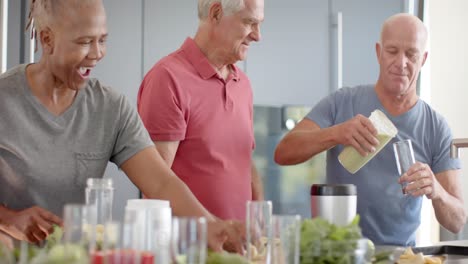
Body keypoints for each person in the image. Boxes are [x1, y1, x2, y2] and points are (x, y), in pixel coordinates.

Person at [0, 0, 243, 252]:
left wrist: (209, 225)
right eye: (84, 42)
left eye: (102, 40)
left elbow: (161, 182)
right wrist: (10, 220)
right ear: (47, 39)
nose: (97, 54)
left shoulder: (110, 107)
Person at [274, 13, 466, 246]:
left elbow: (457, 221)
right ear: (378, 52)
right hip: (337, 253)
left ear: (423, 59)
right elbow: (283, 152)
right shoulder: (342, 102)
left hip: (398, 257)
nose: (401, 63)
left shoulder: (436, 127)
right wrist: (336, 133)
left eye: (411, 54)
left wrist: (437, 191)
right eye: (392, 51)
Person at [137, 0, 265, 221]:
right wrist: (212, 228)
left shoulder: (242, 83)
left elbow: (243, 159)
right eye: (249, 22)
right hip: (187, 249)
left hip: (239, 246)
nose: (257, 35)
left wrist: (261, 217)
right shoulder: (167, 78)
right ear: (216, 13)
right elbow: (155, 184)